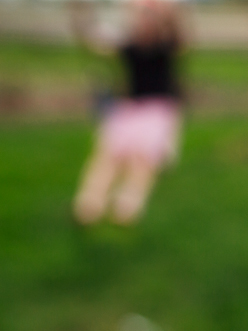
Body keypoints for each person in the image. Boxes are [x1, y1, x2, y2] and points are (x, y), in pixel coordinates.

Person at [70, 0, 185, 226]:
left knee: (141, 163)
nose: (143, 24)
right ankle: (90, 205)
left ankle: (126, 208)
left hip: (156, 112)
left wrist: (163, 8)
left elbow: (176, 26)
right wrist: (80, 12)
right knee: (108, 158)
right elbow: (93, 41)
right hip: (128, 110)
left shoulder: (167, 46)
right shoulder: (129, 47)